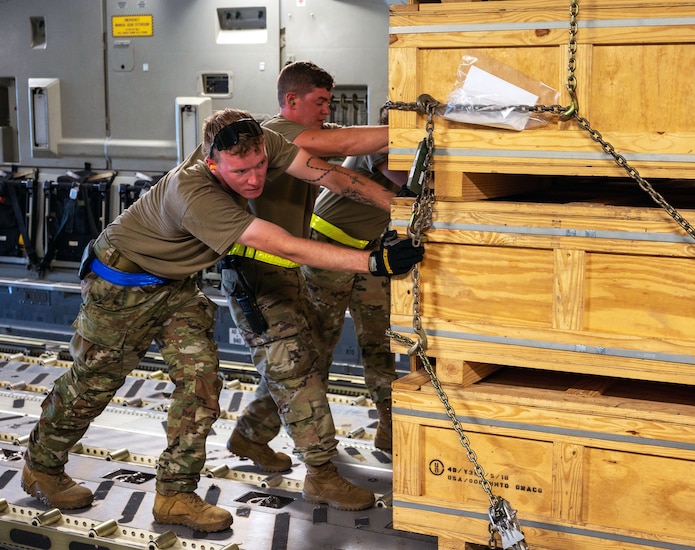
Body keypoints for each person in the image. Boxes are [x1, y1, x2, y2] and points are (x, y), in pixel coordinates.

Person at [21, 108, 423, 533]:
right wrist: (374, 262)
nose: (255, 181)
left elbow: (330, 175)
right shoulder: (194, 192)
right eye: (241, 172)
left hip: (176, 286)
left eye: (260, 167)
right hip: (121, 283)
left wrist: (398, 205)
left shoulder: (261, 144)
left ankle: (175, 494)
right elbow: (285, 246)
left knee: (202, 382)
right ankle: (41, 467)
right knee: (92, 384)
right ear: (212, 163)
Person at [223, 61, 396, 511]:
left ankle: (254, 436)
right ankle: (313, 468)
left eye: (329, 102)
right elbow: (349, 145)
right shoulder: (274, 132)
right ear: (291, 101)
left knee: (308, 359)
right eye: (320, 101)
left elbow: (340, 174)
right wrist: (415, 127)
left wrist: (391, 203)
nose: (327, 109)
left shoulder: (297, 144)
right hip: (273, 269)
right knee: (301, 365)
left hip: (309, 265)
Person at [303, 106, 409, 454]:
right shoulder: (379, 149)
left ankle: (390, 428)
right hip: (327, 248)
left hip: (368, 253)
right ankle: (257, 432)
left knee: (380, 340)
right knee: (317, 345)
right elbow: (408, 186)